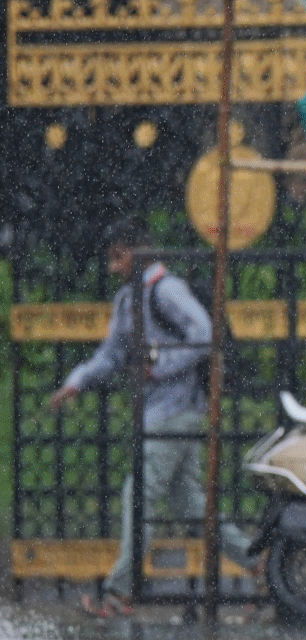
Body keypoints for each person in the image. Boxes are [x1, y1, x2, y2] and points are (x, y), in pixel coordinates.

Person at [47, 216, 256, 617]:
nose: (113, 267)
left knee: (138, 497)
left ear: (139, 253)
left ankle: (117, 593)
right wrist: (77, 382)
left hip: (176, 412)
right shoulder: (128, 300)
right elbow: (111, 355)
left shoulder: (168, 290)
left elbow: (205, 334)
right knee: (192, 506)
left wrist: (158, 365)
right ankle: (258, 563)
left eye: (119, 257)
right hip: (159, 415)